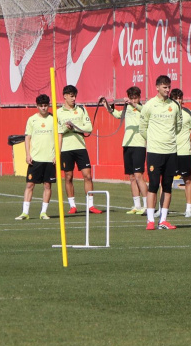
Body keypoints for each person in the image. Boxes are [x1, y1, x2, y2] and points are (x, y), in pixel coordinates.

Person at [139, 75, 182, 230]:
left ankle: (163, 220)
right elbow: (142, 127)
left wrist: (168, 139)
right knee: (154, 185)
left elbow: (178, 126)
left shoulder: (175, 105)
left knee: (168, 185)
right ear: (157, 87)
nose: (167, 90)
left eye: (169, 87)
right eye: (164, 87)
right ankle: (150, 220)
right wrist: (152, 140)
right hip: (154, 152)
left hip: (171, 151)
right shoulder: (149, 105)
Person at [57, 85, 102, 214]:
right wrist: (66, 128)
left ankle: (91, 205)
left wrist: (74, 127)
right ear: (65, 96)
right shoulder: (59, 112)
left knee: (87, 176)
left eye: (75, 96)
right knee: (68, 176)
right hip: (66, 148)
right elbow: (58, 130)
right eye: (71, 96)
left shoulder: (81, 109)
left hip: (80, 147)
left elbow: (88, 128)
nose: (74, 98)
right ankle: (72, 206)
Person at [102, 86, 147, 215]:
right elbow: (117, 115)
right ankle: (137, 205)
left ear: (139, 97)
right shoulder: (127, 108)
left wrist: (134, 104)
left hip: (139, 145)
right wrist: (106, 104)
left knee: (139, 176)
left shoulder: (143, 108)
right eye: (131, 97)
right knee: (132, 177)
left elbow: (144, 111)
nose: (133, 100)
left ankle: (147, 205)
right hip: (127, 144)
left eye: (136, 98)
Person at [16, 94, 56, 220]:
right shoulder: (32, 119)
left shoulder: (54, 119)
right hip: (36, 159)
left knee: (47, 186)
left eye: (45, 106)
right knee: (29, 185)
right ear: (37, 106)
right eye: (41, 106)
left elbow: (58, 137)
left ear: (48, 105)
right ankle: (25, 213)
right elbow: (27, 137)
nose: (43, 108)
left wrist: (57, 155)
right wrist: (28, 154)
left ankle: (43, 212)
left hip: (50, 159)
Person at [169, 88, 191, 218]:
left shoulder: (189, 113)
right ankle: (163, 208)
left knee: (187, 180)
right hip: (169, 151)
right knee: (166, 180)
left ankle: (188, 209)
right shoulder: (167, 112)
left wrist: (188, 146)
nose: (178, 101)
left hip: (184, 153)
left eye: (180, 98)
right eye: (176, 98)